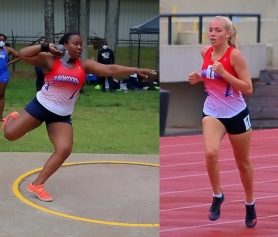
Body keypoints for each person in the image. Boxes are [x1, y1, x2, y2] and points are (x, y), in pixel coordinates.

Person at [2, 32, 156, 202]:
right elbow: (23, 54)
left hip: (61, 115)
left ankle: (37, 185)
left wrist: (136, 69)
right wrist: (46, 46)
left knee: (64, 149)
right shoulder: (50, 60)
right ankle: (11, 117)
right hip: (40, 107)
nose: (79, 47)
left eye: (81, 44)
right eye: (75, 43)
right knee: (10, 135)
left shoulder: (84, 65)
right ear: (64, 45)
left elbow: (109, 69)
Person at [188, 16, 256, 228]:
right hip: (212, 112)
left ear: (228, 34)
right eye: (210, 30)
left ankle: (250, 203)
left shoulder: (234, 56)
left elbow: (248, 89)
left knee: (242, 163)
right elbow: (209, 76)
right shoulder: (205, 52)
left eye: (218, 30)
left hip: (236, 113)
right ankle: (217, 196)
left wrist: (225, 73)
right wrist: (198, 77)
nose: (212, 34)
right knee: (210, 153)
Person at [0, 35, 20, 121]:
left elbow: (20, 56)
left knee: (1, 95)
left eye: (3, 40)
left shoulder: (7, 49)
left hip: (3, 74)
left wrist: (10, 62)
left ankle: (0, 116)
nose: (1, 41)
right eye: (0, 39)